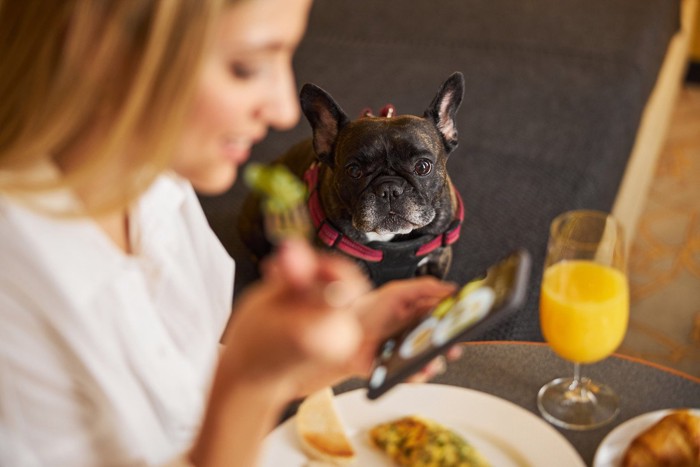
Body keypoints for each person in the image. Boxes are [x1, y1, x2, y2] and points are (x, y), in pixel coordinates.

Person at [0, 0, 459, 465]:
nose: (283, 111)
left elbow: (183, 385)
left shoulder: (158, 185)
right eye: (245, 67)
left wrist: (342, 347)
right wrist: (248, 384)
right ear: (102, 55)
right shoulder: (19, 296)